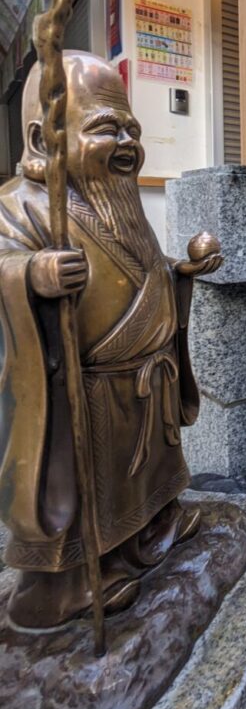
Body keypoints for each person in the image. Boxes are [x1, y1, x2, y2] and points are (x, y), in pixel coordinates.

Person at [0, 52, 221, 628]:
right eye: (105, 127)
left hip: (144, 383)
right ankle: (64, 589)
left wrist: (180, 275)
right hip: (81, 388)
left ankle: (151, 532)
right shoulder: (20, 206)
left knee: (145, 477)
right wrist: (32, 275)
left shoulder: (115, 201)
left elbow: (138, 275)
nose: (126, 141)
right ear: (42, 138)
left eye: (132, 129)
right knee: (82, 488)